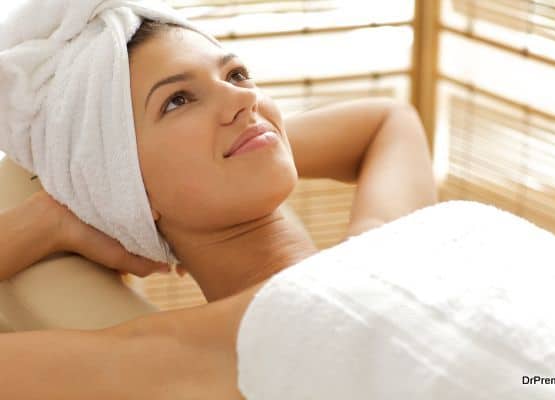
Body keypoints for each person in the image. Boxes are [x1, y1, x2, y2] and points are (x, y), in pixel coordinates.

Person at [0, 17, 438, 400]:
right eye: (178, 100)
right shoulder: (185, 356)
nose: (243, 100)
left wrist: (259, 140)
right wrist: (48, 221)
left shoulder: (384, 243)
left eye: (236, 75)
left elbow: (389, 120)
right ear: (125, 185)